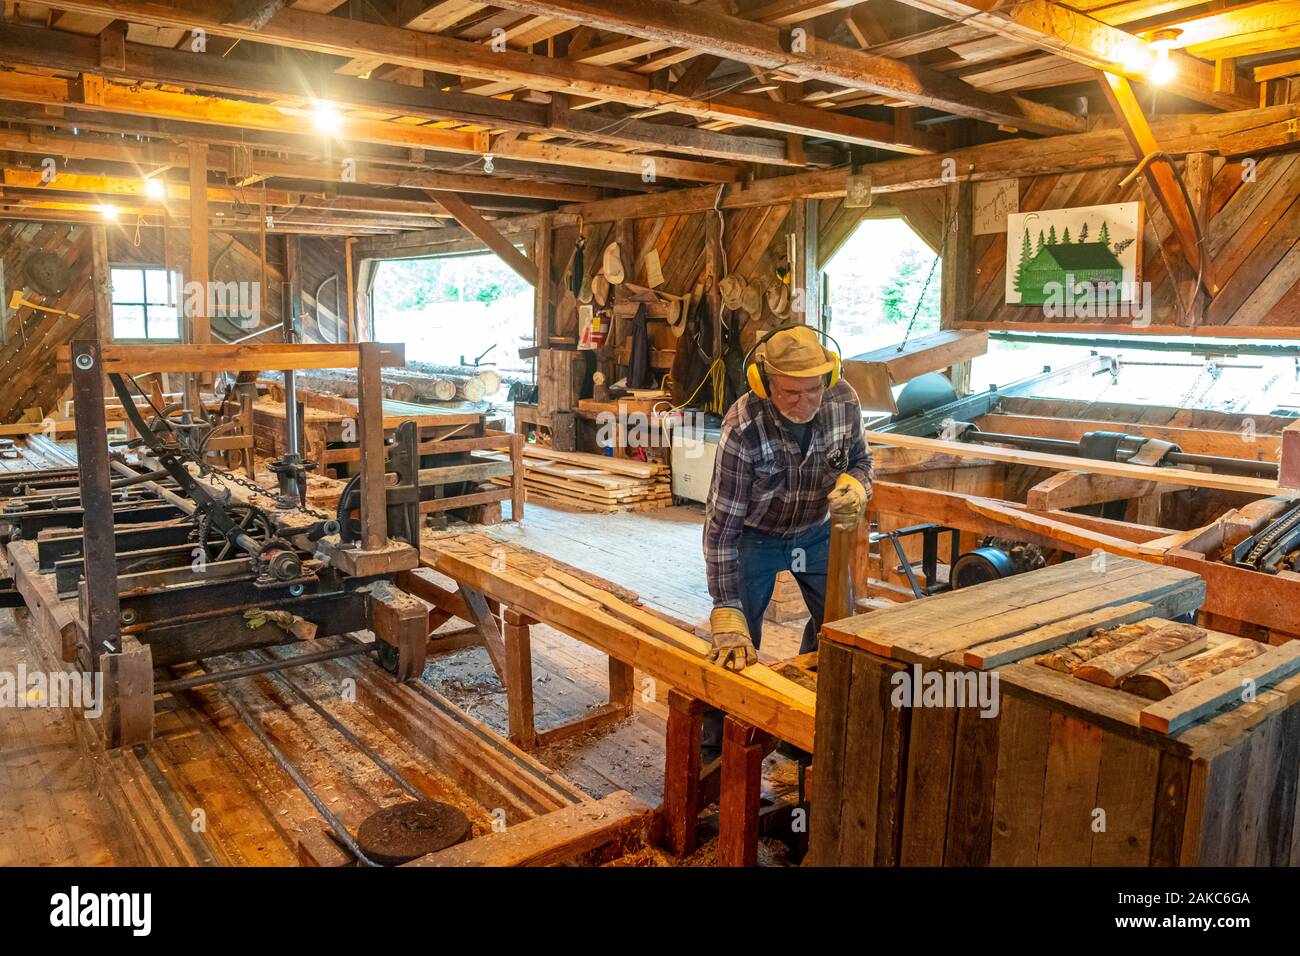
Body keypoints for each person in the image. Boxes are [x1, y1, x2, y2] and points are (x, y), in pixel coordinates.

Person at [700, 324, 874, 759]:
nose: (805, 403)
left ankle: (805, 728)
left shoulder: (844, 401)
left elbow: (861, 460)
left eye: (813, 391)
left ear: (828, 378)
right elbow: (722, 526)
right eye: (790, 393)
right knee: (737, 646)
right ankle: (715, 752)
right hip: (753, 538)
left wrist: (857, 484)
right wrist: (725, 606)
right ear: (764, 382)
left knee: (838, 626)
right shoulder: (743, 426)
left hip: (815, 532)